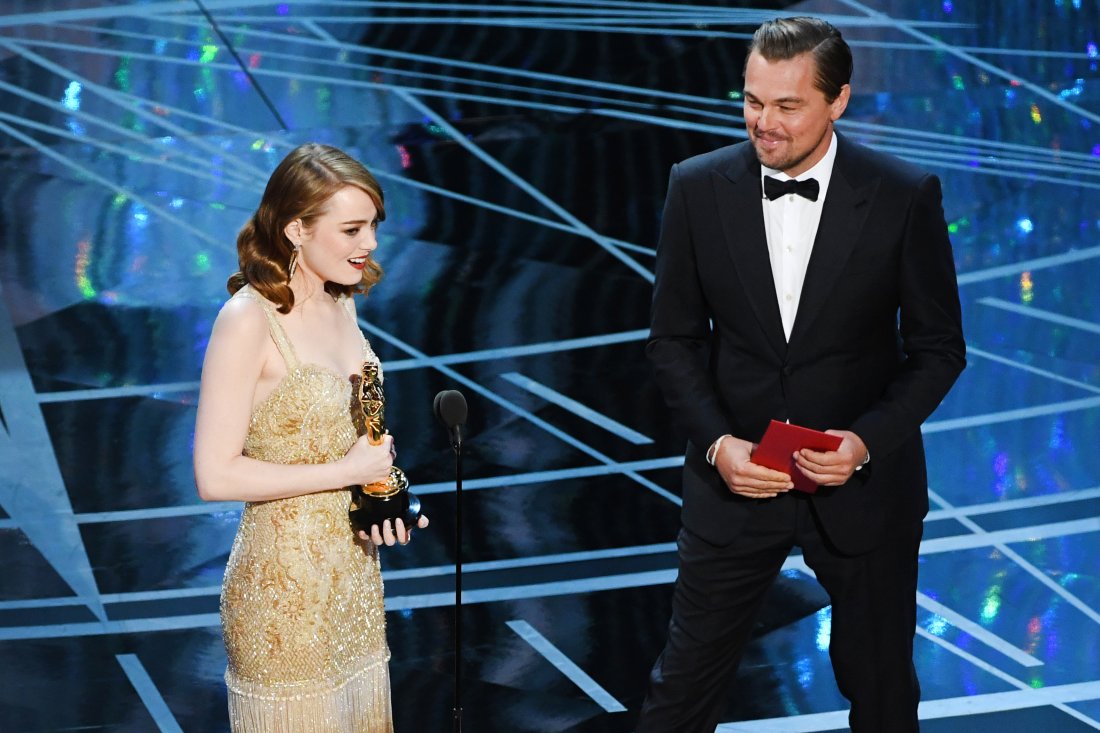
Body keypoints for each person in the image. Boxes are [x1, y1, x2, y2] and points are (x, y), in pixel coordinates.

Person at [639, 17, 966, 733]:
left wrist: (864, 442)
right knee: (680, 693)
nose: (765, 122)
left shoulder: (903, 194)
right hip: (736, 482)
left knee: (882, 693)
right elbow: (673, 340)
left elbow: (939, 349)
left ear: (838, 100)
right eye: (753, 101)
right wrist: (718, 445)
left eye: (787, 105)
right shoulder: (696, 186)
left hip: (862, 491)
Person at [193, 142, 429, 732]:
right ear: (296, 229)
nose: (369, 243)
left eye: (372, 226)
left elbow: (347, 437)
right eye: (351, 229)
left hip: (354, 582)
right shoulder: (247, 320)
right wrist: (347, 472)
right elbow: (214, 474)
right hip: (283, 598)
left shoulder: (340, 301)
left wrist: (383, 494)